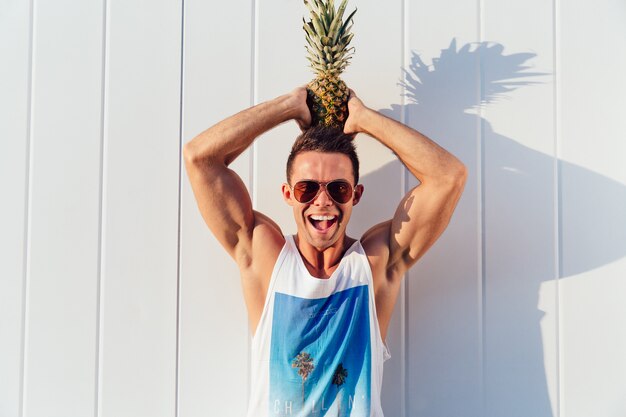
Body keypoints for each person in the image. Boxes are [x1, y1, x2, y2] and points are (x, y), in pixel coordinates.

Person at [183, 86, 467, 417]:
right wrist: (288, 106)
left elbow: (449, 177)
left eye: (338, 188)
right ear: (288, 194)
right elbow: (198, 158)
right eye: (307, 188)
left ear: (355, 195)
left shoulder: (373, 265)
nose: (323, 200)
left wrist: (363, 120)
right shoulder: (267, 258)